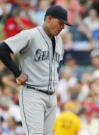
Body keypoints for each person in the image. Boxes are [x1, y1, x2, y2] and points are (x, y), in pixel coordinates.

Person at [0, 5, 71, 135]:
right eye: (60, 23)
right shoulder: (30, 34)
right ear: (49, 19)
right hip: (33, 93)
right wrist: (17, 73)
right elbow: (2, 48)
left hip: (51, 96)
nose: (62, 27)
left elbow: (55, 66)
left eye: (64, 24)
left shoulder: (59, 40)